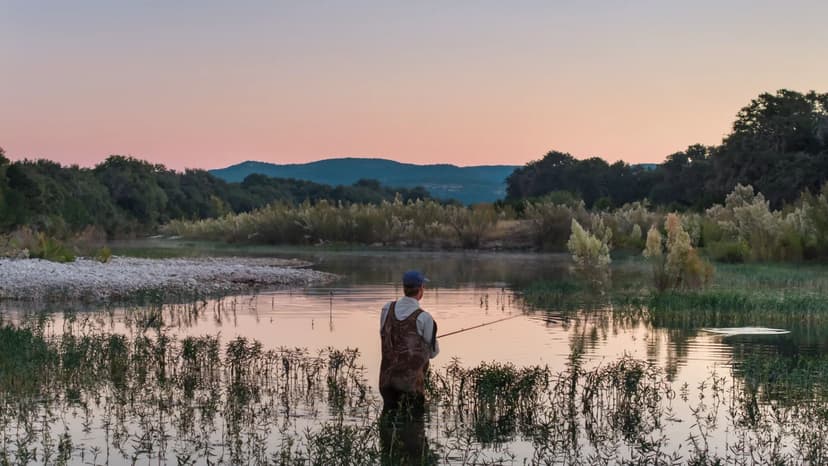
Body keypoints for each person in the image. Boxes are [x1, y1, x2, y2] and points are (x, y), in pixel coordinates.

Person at [379, 270, 439, 413]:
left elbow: (384, 335)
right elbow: (432, 353)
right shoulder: (425, 318)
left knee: (388, 428)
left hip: (386, 383)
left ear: (404, 288)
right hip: (411, 386)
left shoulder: (387, 308)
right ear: (420, 289)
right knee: (413, 429)